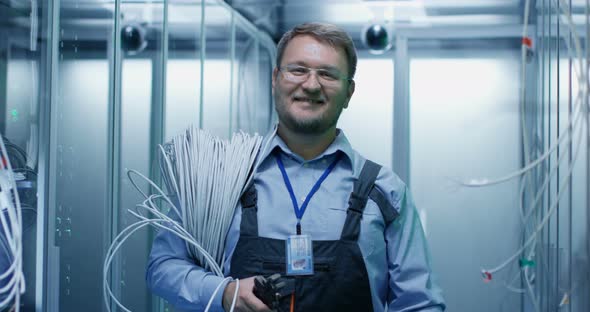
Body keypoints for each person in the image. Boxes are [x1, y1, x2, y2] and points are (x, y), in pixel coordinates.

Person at [146, 22, 446, 312]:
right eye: (298, 70)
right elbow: (162, 268)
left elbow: (420, 304)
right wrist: (225, 293)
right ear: (276, 78)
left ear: (349, 92)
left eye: (328, 74)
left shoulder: (385, 191)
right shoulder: (219, 179)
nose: (311, 84)